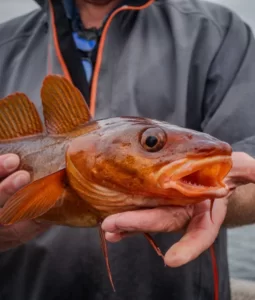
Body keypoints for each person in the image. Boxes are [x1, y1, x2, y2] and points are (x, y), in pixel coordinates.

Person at [0, 0, 255, 299]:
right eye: (152, 143)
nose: (154, 146)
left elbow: (247, 167)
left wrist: (227, 193)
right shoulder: (5, 44)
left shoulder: (217, 32)